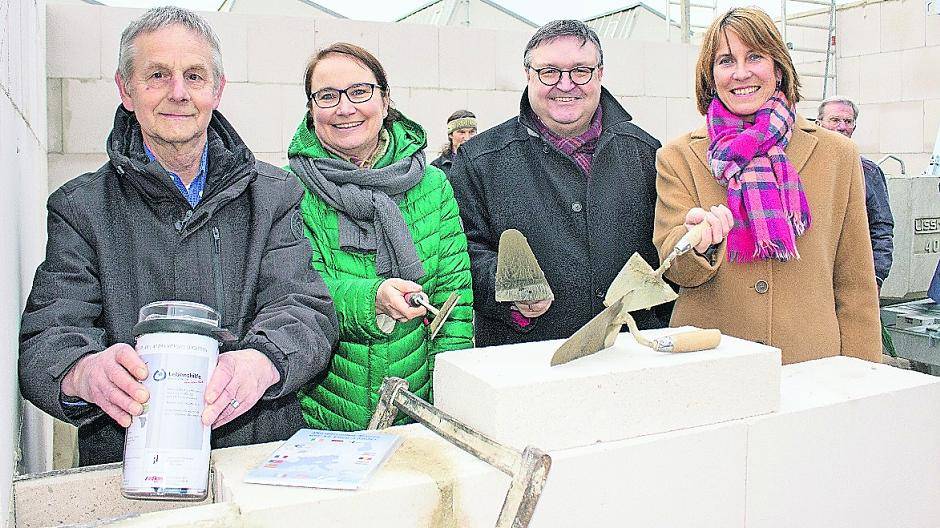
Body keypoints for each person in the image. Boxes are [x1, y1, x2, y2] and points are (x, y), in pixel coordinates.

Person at [18, 7, 339, 466]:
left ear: (217, 89)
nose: (178, 93)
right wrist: (84, 372)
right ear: (125, 90)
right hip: (127, 466)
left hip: (254, 455)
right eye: (156, 75)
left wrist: (260, 362)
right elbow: (48, 334)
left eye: (194, 75)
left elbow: (304, 308)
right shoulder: (81, 207)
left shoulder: (272, 194)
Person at [653, 7, 881, 364]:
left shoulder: (838, 154)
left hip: (812, 364)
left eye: (755, 56)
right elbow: (673, 268)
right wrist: (696, 243)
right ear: (710, 76)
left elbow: (855, 285)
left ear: (778, 67)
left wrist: (865, 375)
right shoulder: (678, 156)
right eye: (726, 60)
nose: (741, 73)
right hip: (710, 365)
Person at [287, 43, 473, 431]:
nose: (344, 108)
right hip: (322, 415)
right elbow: (298, 294)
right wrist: (371, 300)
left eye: (359, 92)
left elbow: (454, 299)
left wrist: (452, 398)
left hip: (416, 405)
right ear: (311, 109)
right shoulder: (288, 189)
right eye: (327, 96)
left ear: (385, 101)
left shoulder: (432, 184)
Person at [450, 20, 664, 347]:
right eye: (549, 72)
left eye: (581, 71)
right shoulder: (480, 161)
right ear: (528, 75)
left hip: (631, 353)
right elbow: (461, 252)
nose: (566, 85)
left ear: (600, 74)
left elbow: (666, 249)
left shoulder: (646, 153)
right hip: (529, 360)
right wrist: (510, 290)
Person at [817, 96, 894, 289]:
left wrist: (876, 278)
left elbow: (882, 228)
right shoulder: (801, 167)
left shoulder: (869, 172)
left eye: (848, 121)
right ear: (819, 124)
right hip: (812, 279)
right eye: (834, 120)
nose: (842, 126)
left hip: (853, 279)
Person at [430, 110, 477, 175]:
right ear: (450, 135)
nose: (467, 138)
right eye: (461, 132)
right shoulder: (437, 166)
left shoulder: (484, 161)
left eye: (471, 132)